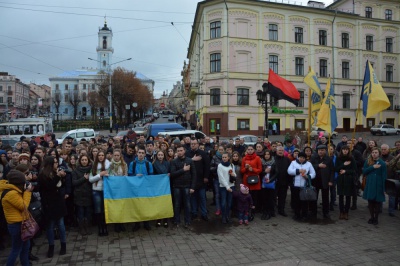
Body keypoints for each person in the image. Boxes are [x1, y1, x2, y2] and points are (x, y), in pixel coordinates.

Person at [0, 169, 33, 266]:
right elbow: (24, 206)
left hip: (20, 222)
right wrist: (27, 192)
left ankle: (25, 264)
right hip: (16, 224)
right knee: (16, 249)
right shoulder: (11, 194)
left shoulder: (13, 190)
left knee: (26, 246)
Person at [38, 156, 68, 258]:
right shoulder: (43, 175)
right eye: (54, 163)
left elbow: (61, 185)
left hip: (58, 202)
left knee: (61, 225)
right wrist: (58, 177)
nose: (57, 164)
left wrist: (62, 177)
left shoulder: (57, 172)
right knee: (50, 226)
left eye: (57, 162)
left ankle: (63, 245)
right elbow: (49, 187)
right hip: (48, 203)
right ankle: (51, 246)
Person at [170, 144, 196, 229]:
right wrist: (183, 170)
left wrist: (192, 187)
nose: (180, 152)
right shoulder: (174, 161)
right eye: (178, 151)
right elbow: (172, 174)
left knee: (187, 205)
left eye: (181, 150)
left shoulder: (189, 161)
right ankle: (176, 221)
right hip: (177, 186)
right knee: (177, 205)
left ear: (184, 151)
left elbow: (194, 174)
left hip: (187, 186)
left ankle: (187, 222)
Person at [128, 146, 154, 231]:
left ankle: (146, 223)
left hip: (145, 188)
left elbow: (151, 176)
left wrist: (144, 177)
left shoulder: (148, 164)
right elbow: (129, 175)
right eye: (139, 153)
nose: (141, 155)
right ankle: (137, 223)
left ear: (145, 154)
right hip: (135, 188)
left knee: (145, 205)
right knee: (136, 205)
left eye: (143, 153)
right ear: (137, 153)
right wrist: (136, 176)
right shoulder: (133, 163)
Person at [186, 138, 210, 222]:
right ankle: (194, 213)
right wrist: (192, 159)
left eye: (194, 143)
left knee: (202, 197)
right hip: (191, 180)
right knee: (193, 198)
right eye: (191, 144)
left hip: (201, 180)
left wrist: (206, 177)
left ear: (198, 144)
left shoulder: (203, 153)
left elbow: (207, 166)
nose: (193, 145)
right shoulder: (187, 153)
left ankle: (204, 214)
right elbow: (185, 163)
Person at [287, 152, 316, 221]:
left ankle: (304, 215)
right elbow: (289, 171)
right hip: (295, 185)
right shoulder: (293, 163)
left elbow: (313, 173)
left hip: (304, 186)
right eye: (300, 157)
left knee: (304, 201)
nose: (301, 159)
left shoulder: (309, 164)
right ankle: (297, 214)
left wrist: (308, 176)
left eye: (303, 158)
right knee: (296, 201)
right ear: (298, 157)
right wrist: (298, 171)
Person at [363, 147, 387, 225]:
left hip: (378, 184)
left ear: (379, 154)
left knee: (377, 202)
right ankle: (372, 217)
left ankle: (376, 218)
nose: (374, 154)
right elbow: (364, 171)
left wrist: (384, 187)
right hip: (370, 183)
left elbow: (384, 176)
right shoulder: (368, 161)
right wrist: (373, 167)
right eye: (373, 152)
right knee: (370, 202)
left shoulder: (382, 163)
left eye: (376, 152)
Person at [89, 150, 110, 236]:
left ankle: (105, 227)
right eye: (99, 155)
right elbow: (90, 179)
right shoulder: (93, 167)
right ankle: (100, 228)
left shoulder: (108, 166)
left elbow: (111, 176)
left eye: (102, 155)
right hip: (96, 190)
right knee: (98, 210)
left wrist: (108, 175)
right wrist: (100, 175)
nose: (101, 157)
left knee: (104, 210)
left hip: (105, 191)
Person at [310, 145, 334, 219]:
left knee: (325, 198)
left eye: (322, 150)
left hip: (325, 181)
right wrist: (318, 165)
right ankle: (313, 213)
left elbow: (332, 171)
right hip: (315, 181)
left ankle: (326, 213)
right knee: (314, 198)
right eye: (319, 150)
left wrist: (330, 180)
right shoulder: (313, 158)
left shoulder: (329, 159)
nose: (320, 151)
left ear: (325, 151)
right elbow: (310, 166)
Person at [108, 149, 128, 232]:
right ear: (113, 156)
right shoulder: (109, 165)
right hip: (113, 188)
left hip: (122, 188)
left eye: (118, 155)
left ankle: (122, 223)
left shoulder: (124, 165)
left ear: (120, 156)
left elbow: (126, 174)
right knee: (115, 206)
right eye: (115, 155)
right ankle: (116, 224)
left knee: (122, 206)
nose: (116, 157)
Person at [72, 155, 93, 236]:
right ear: (80, 161)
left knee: (88, 213)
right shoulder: (76, 171)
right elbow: (74, 182)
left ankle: (88, 227)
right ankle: (81, 227)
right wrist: (83, 178)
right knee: (80, 213)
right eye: (83, 160)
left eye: (86, 160)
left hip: (88, 194)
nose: (84, 161)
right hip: (79, 195)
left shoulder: (91, 170)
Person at [335, 146, 357, 220]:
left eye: (346, 150)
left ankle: (346, 212)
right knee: (341, 196)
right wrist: (343, 165)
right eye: (343, 149)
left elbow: (354, 170)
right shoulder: (338, 158)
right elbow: (336, 169)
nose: (345, 151)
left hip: (349, 179)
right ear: (341, 150)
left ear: (348, 151)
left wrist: (346, 171)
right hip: (340, 179)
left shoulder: (351, 158)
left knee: (348, 196)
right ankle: (341, 212)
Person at [240, 145, 262, 212]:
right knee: (247, 195)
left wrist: (253, 169)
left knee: (255, 196)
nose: (250, 150)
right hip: (246, 180)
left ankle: (254, 209)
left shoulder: (257, 158)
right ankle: (247, 209)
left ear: (253, 150)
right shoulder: (244, 158)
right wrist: (246, 168)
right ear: (246, 150)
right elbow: (241, 171)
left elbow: (260, 170)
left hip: (255, 179)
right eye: (248, 149)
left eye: (251, 149)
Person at [152, 150, 171, 228]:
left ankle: (165, 219)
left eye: (161, 155)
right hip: (157, 185)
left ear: (164, 156)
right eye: (159, 155)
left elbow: (170, 171)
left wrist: (169, 174)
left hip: (166, 185)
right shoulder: (154, 164)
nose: (160, 156)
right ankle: (158, 219)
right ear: (157, 156)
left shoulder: (167, 163)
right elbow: (152, 174)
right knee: (158, 202)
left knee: (166, 202)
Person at [217, 152, 235, 224]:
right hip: (223, 187)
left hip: (231, 185)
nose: (224, 158)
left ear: (228, 158)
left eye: (225, 157)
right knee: (223, 203)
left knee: (229, 203)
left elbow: (234, 174)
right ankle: (223, 217)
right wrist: (227, 187)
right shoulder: (220, 166)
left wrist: (233, 174)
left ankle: (228, 216)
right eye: (223, 157)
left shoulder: (231, 165)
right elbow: (221, 178)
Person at [274, 146, 292, 217]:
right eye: (279, 150)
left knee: (282, 197)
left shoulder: (287, 159)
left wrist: (289, 182)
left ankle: (281, 210)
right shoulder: (273, 159)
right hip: (274, 182)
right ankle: (273, 210)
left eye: (282, 150)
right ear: (276, 151)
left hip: (284, 182)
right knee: (273, 197)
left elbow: (290, 171)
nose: (280, 152)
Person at [260, 150, 277, 220]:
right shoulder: (261, 163)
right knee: (264, 198)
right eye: (265, 154)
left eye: (268, 154)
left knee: (270, 199)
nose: (266, 156)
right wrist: (264, 172)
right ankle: (265, 212)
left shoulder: (273, 163)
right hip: (263, 183)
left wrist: (270, 180)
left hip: (271, 183)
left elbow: (276, 173)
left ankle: (270, 212)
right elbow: (259, 173)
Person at [210, 145, 224, 216]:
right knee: (217, 194)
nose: (221, 151)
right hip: (217, 178)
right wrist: (217, 167)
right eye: (219, 149)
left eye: (222, 149)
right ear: (217, 150)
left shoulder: (226, 157)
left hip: (225, 179)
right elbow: (211, 168)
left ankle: (224, 208)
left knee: (223, 194)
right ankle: (218, 209)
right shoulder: (214, 157)